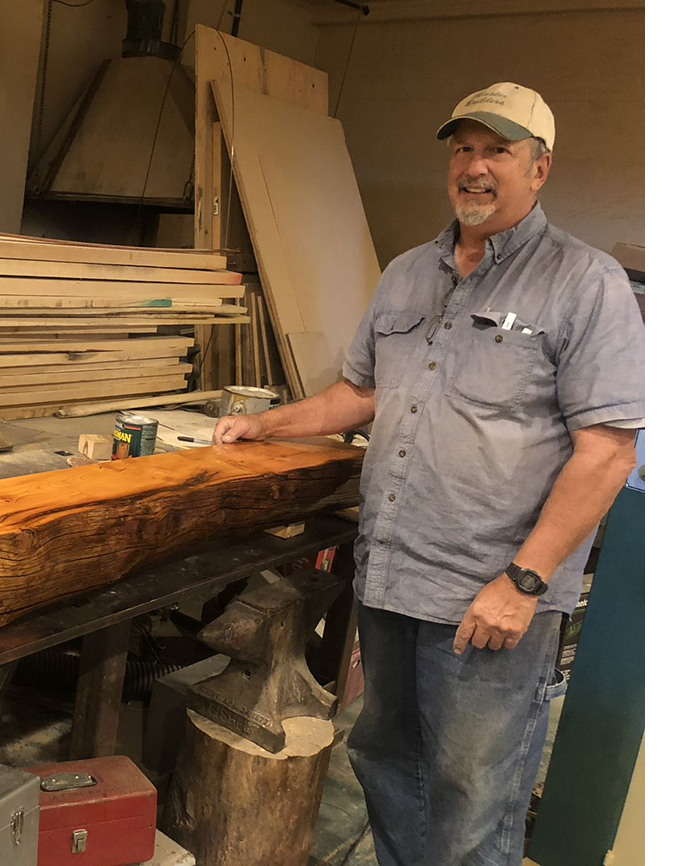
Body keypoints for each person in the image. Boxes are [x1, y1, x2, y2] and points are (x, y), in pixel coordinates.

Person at [212, 81, 643, 865]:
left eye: (498, 151)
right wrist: (263, 423)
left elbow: (609, 450)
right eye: (464, 148)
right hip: (391, 577)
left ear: (540, 169)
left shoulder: (585, 284)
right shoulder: (409, 271)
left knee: (473, 796)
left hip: (489, 600)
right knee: (387, 764)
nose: (475, 167)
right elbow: (363, 392)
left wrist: (525, 582)